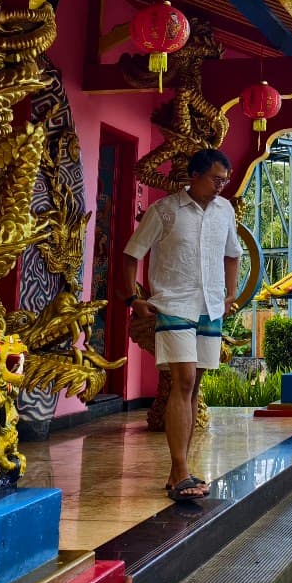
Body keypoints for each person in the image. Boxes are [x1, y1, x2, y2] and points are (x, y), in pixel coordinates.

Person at [121, 147, 242, 503]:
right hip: (174, 303)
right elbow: (131, 254)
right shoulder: (165, 210)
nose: (220, 186)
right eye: (215, 179)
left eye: (225, 181)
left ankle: (180, 471)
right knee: (183, 380)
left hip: (210, 306)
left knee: (195, 384)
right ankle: (180, 471)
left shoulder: (225, 210)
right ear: (195, 175)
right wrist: (132, 299)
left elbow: (233, 254)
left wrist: (231, 293)